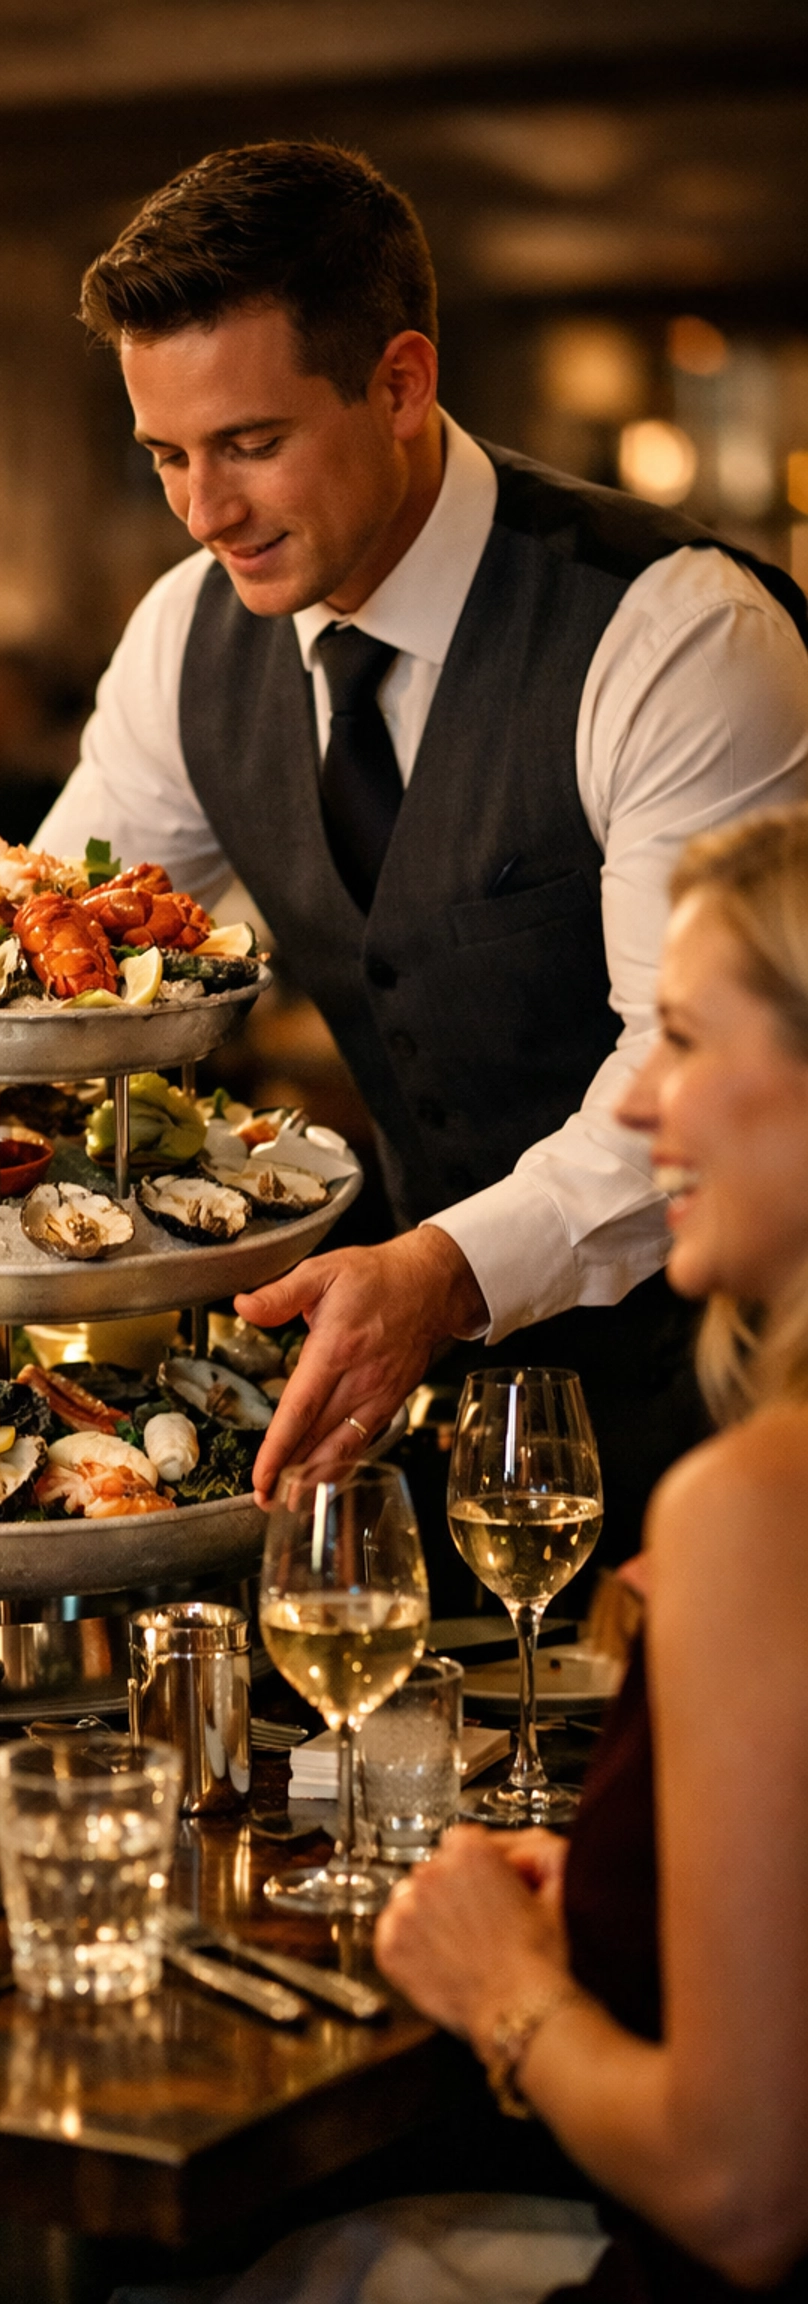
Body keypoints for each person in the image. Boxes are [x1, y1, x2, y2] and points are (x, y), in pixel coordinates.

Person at [33, 139, 808, 1570]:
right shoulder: (185, 639)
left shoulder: (676, 636)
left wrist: (445, 1273)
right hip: (420, 1428)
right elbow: (46, 980)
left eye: (251, 444)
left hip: (730, 1410)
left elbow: (701, 1061)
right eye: (168, 457)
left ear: (400, 384)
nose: (206, 513)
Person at [374, 805, 808, 2300]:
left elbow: (744, 2193)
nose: (639, 1109)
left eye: (684, 1041)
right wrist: (626, 1894)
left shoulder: (758, 1503)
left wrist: (505, 1990)